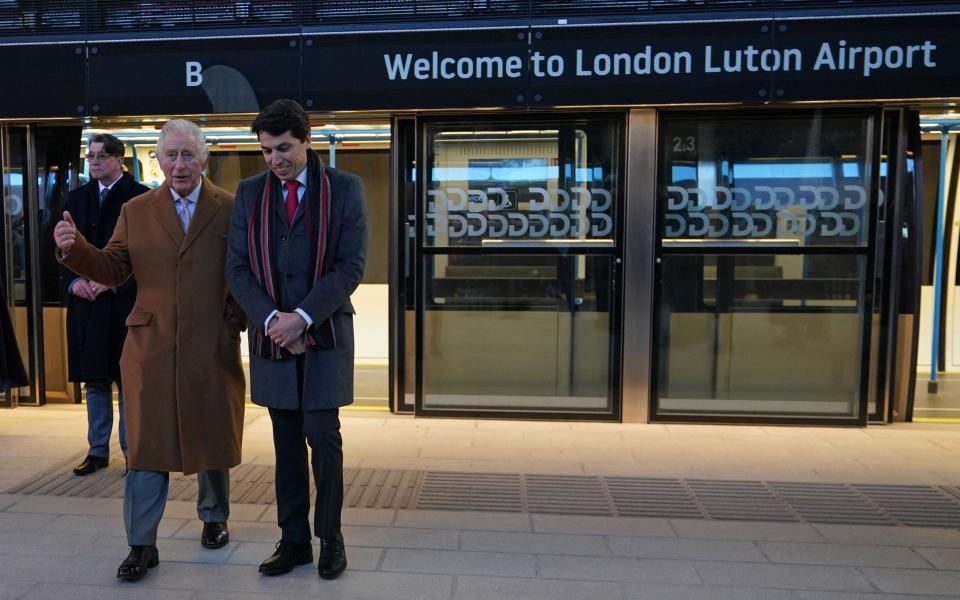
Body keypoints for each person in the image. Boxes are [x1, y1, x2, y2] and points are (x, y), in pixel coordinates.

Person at [53, 119, 246, 582]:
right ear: (157, 160)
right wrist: (75, 250)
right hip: (149, 346)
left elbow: (244, 272)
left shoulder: (231, 208)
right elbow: (114, 268)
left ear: (205, 158)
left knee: (212, 432)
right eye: (170, 155)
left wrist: (234, 321)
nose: (179, 164)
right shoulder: (137, 210)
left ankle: (214, 517)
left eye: (187, 155)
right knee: (145, 446)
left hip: (209, 343)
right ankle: (141, 544)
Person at [226, 99, 366, 580]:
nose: (274, 159)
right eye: (266, 151)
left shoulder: (345, 189)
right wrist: (273, 321)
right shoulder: (249, 193)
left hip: (324, 334)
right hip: (272, 341)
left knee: (323, 439)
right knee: (285, 444)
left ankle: (331, 538)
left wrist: (302, 317)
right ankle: (293, 542)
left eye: (283, 148)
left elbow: (350, 266)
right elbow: (238, 269)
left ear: (307, 139)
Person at [61, 133, 149, 476]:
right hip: (86, 304)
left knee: (127, 378)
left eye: (100, 156)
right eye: (90, 156)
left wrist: (110, 280)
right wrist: (75, 281)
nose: (94, 162)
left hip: (124, 303)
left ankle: (133, 451)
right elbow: (58, 244)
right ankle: (97, 450)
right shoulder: (76, 197)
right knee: (94, 379)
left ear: (118, 160)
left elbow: (146, 253)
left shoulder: (141, 197)